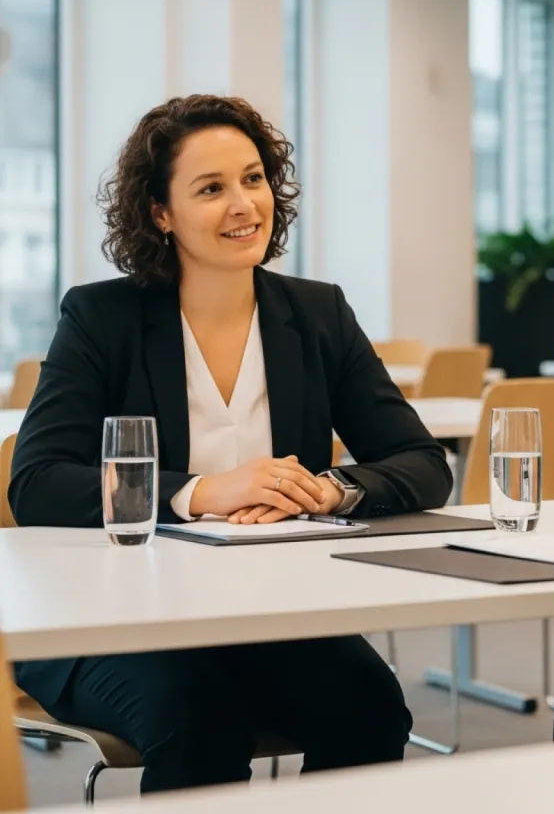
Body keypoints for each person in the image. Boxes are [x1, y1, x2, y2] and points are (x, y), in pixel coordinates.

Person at [9, 94, 453, 792]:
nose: (245, 204)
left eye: (253, 178)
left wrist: (333, 489)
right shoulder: (101, 318)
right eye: (211, 189)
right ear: (161, 212)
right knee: (201, 723)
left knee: (370, 708)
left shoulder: (317, 314)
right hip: (111, 621)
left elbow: (424, 464)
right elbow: (36, 482)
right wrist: (203, 492)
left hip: (263, 611)